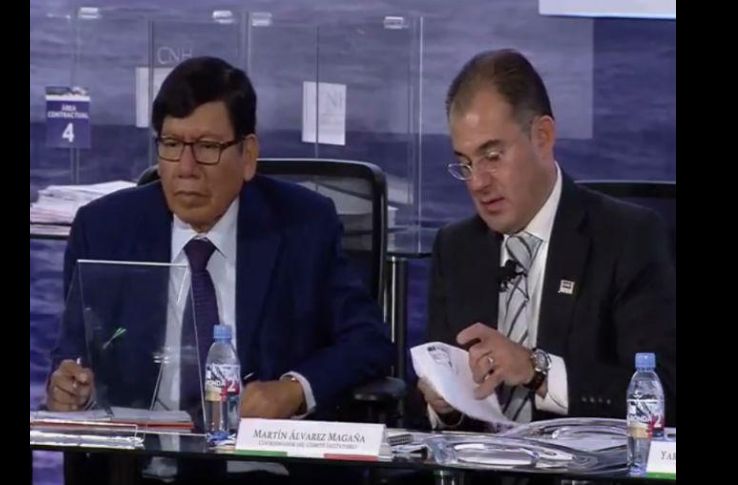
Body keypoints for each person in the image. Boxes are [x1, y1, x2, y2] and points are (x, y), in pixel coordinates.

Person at [45, 56, 393, 426]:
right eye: (172, 144)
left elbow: (368, 341)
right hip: (139, 451)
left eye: (207, 147)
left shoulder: (303, 225)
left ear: (248, 155)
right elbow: (73, 359)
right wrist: (66, 389)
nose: (186, 168)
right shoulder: (104, 230)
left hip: (259, 453)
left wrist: (291, 390)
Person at [417, 49, 675, 430]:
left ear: (543, 136)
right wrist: (445, 406)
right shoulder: (456, 249)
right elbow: (434, 408)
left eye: (493, 156)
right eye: (466, 163)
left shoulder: (627, 239)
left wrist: (537, 371)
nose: (477, 182)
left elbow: (662, 392)